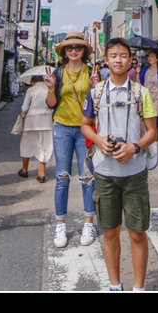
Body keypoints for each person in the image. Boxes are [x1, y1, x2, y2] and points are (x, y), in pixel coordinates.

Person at [81, 38, 158, 292]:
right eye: (113, 55)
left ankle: (139, 288)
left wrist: (134, 147)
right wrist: (99, 140)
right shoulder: (96, 92)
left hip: (135, 172)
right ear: (106, 59)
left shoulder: (141, 93)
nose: (118, 59)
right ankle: (115, 286)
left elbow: (152, 132)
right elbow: (85, 125)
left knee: (137, 232)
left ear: (130, 60)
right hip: (104, 172)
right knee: (110, 231)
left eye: (123, 55)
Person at [44, 31, 97, 249]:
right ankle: (60, 226)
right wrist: (49, 87)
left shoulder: (91, 72)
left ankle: (88, 223)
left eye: (77, 47)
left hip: (85, 129)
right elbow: (50, 104)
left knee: (87, 178)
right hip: (62, 128)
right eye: (69, 48)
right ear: (64, 52)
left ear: (84, 50)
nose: (73, 51)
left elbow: (97, 103)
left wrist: (95, 87)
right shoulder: (58, 73)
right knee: (62, 177)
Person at [19, 75, 53, 182]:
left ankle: (24, 170)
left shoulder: (31, 90)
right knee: (44, 146)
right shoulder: (50, 89)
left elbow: (24, 108)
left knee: (26, 145)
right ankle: (41, 174)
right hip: (46, 122)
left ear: (33, 82)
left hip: (31, 122)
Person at [141, 51, 158, 152]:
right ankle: (146, 149)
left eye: (152, 56)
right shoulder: (144, 69)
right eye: (149, 56)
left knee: (155, 125)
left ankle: (155, 152)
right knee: (145, 125)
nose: (150, 58)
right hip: (146, 100)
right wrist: (138, 72)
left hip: (157, 101)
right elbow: (140, 84)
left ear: (157, 59)